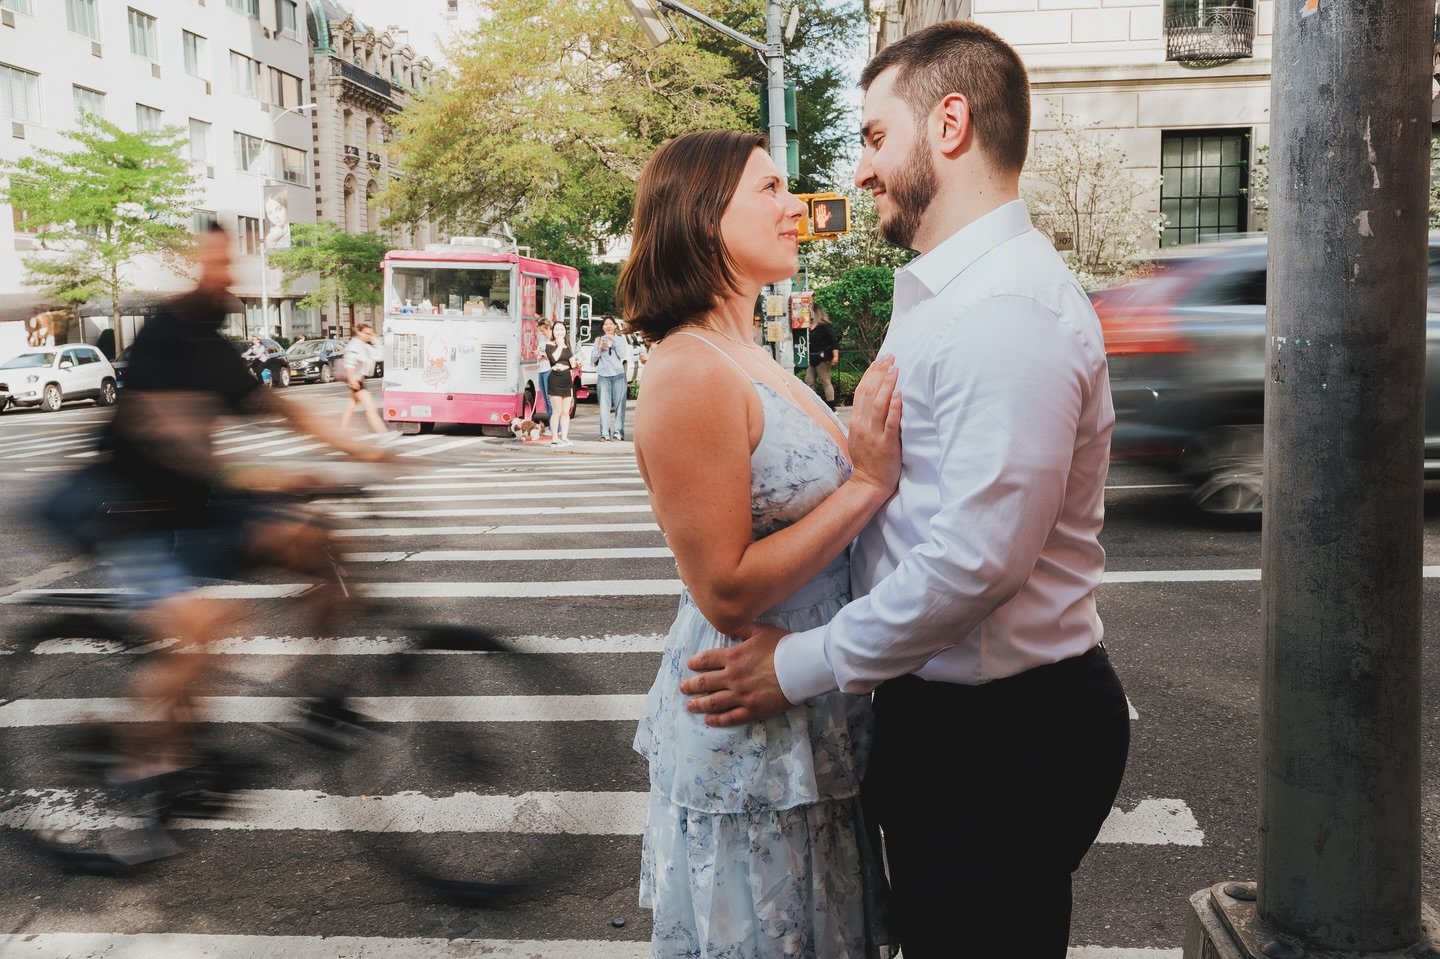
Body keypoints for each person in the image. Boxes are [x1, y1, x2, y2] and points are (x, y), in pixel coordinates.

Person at [679, 22, 1130, 959]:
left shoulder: (1005, 312)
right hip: (957, 724)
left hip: (1003, 737)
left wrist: (797, 665)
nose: (860, 171)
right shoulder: (955, 297)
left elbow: (976, 563)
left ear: (950, 125)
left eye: (876, 137)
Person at [618, 129, 903, 958]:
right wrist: (866, 485)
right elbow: (725, 588)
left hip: (804, 710)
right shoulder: (690, 370)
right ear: (703, 215)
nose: (795, 208)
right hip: (751, 731)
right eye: (770, 189)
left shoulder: (745, 352)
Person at [78, 224, 388, 863]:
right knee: (207, 628)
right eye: (216, 264)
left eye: (230, 264)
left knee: (320, 543)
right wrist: (261, 477)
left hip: (201, 509)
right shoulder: (164, 337)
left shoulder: (210, 343)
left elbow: (280, 409)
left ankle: (315, 697)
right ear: (188, 271)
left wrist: (365, 452)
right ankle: (139, 783)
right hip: (137, 514)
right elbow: (174, 443)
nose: (228, 276)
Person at [339, 323, 389, 437]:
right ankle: (384, 434)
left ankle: (341, 433)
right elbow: (349, 364)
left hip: (358, 381)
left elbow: (380, 356)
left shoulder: (364, 346)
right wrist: (352, 380)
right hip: (356, 382)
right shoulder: (354, 346)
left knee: (350, 409)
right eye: (367, 333)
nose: (369, 336)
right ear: (359, 332)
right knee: (371, 409)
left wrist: (376, 341)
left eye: (370, 334)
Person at [593, 316, 631, 441]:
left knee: (620, 405)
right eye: (605, 324)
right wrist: (600, 349)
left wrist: (613, 341)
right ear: (603, 327)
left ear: (615, 326)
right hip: (603, 375)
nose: (608, 326)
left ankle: (618, 432)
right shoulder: (598, 340)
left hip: (618, 374)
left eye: (610, 324)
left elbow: (622, 354)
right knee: (604, 405)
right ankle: (604, 433)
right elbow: (593, 360)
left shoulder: (620, 339)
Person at [545, 321, 575, 446]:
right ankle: (554, 438)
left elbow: (572, 364)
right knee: (556, 411)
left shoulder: (567, 345)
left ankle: (564, 437)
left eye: (562, 329)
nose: (559, 332)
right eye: (556, 329)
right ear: (552, 331)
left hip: (567, 379)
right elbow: (553, 359)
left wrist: (578, 362)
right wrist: (560, 345)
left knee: (565, 411)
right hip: (555, 380)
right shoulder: (549, 345)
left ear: (565, 331)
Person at [805, 307, 840, 410]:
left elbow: (834, 342)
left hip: (823, 358)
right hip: (812, 357)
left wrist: (835, 356)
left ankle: (831, 406)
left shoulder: (824, 327)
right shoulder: (810, 326)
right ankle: (815, 403)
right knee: (809, 381)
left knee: (825, 381)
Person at [535, 318, 554, 422]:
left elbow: (555, 356)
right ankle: (551, 421)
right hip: (541, 369)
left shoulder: (553, 339)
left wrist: (544, 355)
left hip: (549, 369)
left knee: (549, 398)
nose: (542, 333)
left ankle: (554, 424)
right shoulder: (542, 339)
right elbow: (540, 350)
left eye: (543, 330)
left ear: (548, 328)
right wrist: (538, 353)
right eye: (540, 331)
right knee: (545, 398)